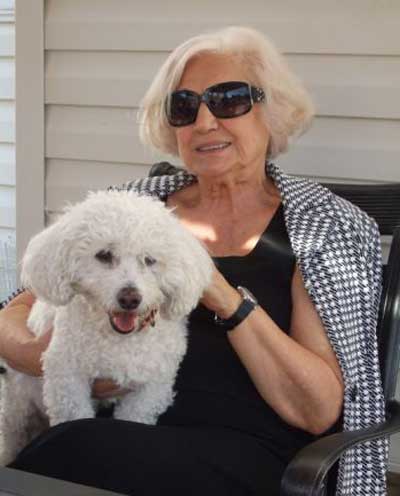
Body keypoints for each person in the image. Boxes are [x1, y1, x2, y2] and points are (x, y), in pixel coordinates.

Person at [0, 26, 387, 496]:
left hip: (247, 449)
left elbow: (316, 410)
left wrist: (222, 294)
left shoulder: (318, 225)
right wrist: (52, 361)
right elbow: (17, 308)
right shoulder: (135, 211)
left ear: (273, 110)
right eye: (184, 106)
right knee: (65, 450)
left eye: (229, 99)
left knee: (64, 454)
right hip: (118, 427)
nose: (204, 122)